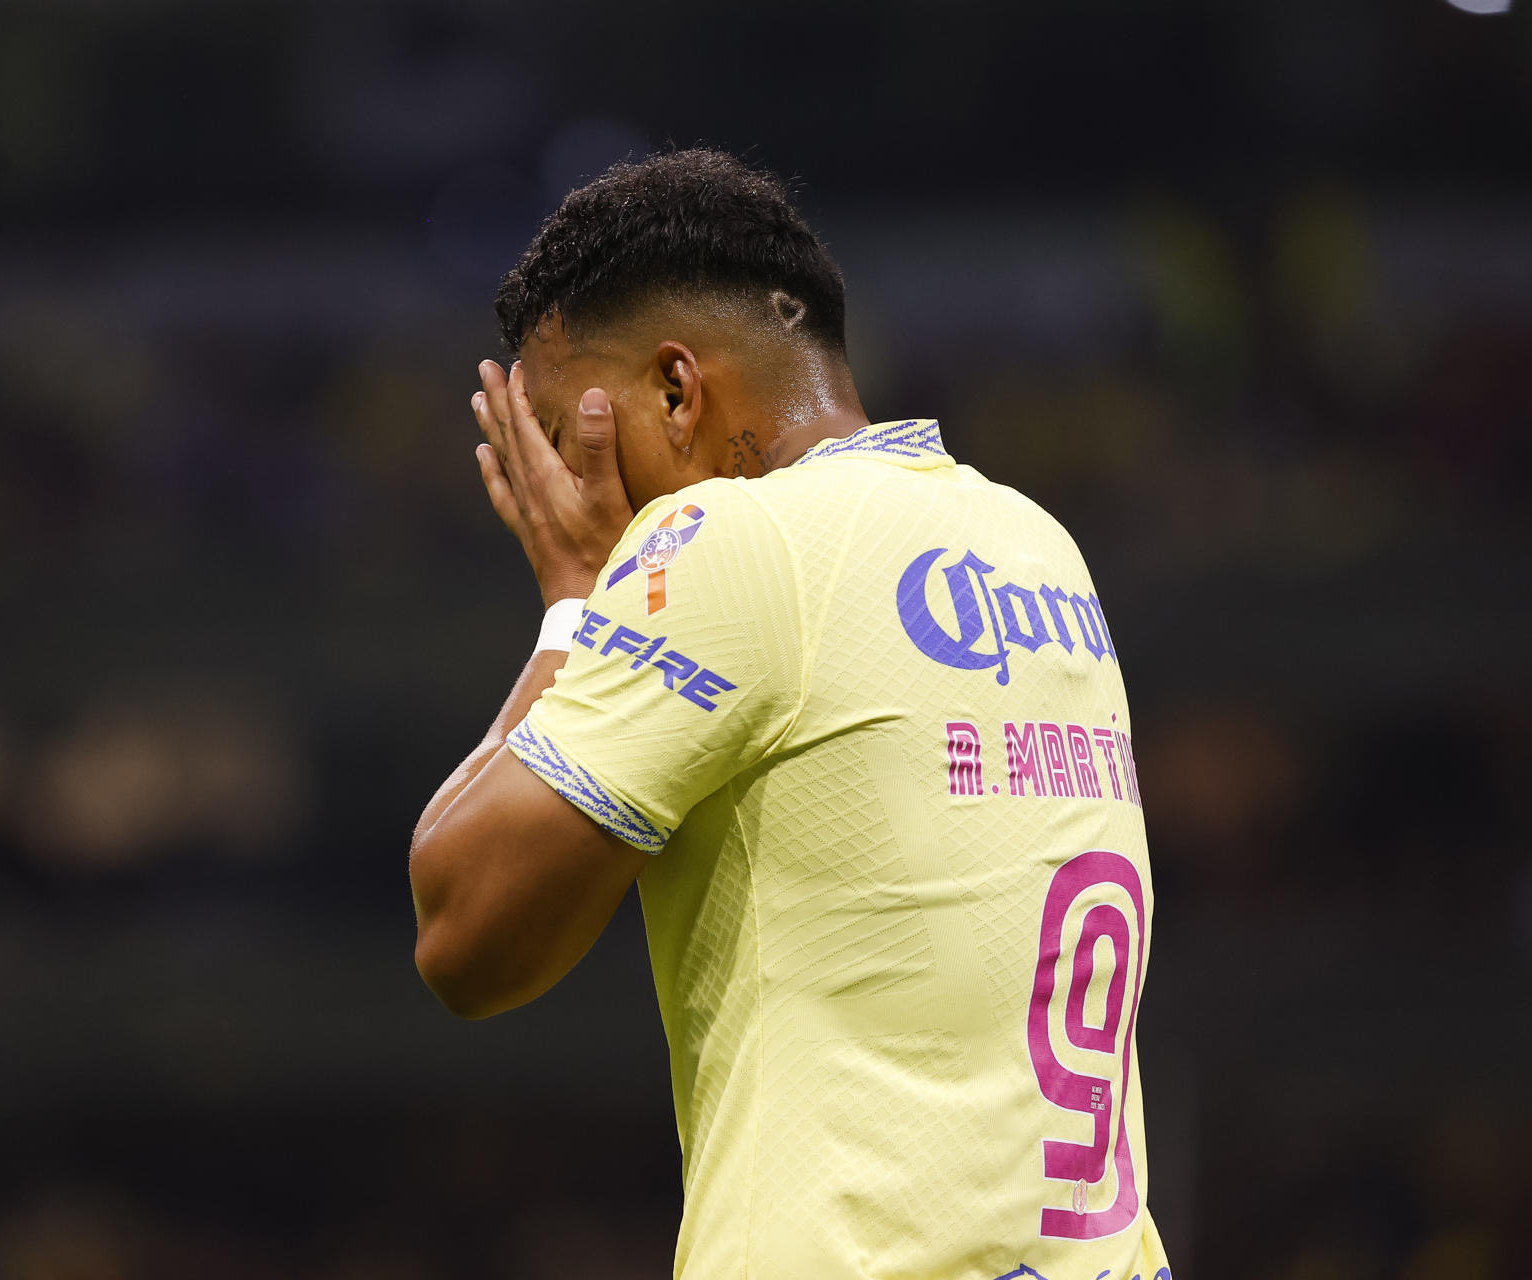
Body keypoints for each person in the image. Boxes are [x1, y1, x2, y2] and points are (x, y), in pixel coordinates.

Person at [407, 149, 1171, 1280]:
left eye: (572, 440)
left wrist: (574, 603)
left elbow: (462, 928)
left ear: (676, 390)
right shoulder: (1035, 544)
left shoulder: (732, 538)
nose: (572, 493)